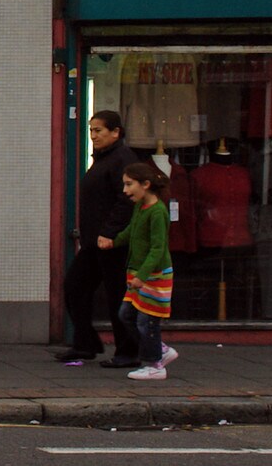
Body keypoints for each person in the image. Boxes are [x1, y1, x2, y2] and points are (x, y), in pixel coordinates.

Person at [56, 111, 137, 365]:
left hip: (112, 243)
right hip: (95, 242)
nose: (94, 136)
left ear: (116, 132)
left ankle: (128, 352)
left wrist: (110, 233)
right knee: (75, 287)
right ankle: (86, 343)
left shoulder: (122, 159)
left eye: (99, 131)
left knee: (117, 296)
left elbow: (126, 202)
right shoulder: (104, 159)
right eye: (91, 131)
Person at [118, 161, 179, 380]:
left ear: (145, 184)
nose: (125, 190)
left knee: (148, 320)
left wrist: (142, 277)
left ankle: (155, 365)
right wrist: (113, 241)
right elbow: (132, 230)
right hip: (139, 274)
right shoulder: (140, 207)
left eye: (129, 184)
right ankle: (160, 350)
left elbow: (157, 248)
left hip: (154, 276)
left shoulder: (157, 212)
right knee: (126, 315)